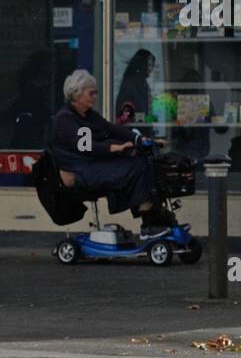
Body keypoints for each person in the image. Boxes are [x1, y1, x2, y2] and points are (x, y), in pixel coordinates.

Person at [49, 69, 172, 240]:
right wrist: (112, 148)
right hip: (79, 172)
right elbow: (84, 146)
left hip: (91, 166)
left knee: (144, 160)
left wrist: (140, 139)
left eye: (96, 92)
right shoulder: (65, 119)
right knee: (136, 168)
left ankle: (155, 213)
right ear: (76, 94)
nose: (95, 96)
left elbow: (113, 129)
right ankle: (149, 224)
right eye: (91, 93)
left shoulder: (89, 116)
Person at [114, 48, 155, 123]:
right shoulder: (131, 84)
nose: (152, 69)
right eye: (150, 65)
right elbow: (125, 115)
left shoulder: (142, 83)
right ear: (143, 65)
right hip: (133, 130)